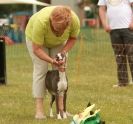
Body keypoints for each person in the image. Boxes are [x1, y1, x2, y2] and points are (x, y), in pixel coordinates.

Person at [25, 5, 80, 119]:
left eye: (63, 30)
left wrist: (63, 52)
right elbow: (37, 49)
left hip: (58, 44)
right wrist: (51, 61)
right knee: (41, 69)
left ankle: (62, 110)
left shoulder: (74, 20)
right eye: (57, 29)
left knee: (60, 72)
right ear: (51, 20)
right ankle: (39, 110)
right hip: (37, 42)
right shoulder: (41, 22)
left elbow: (73, 38)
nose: (59, 33)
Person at [98, 0, 133, 87]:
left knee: (132, 55)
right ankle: (123, 82)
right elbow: (101, 9)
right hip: (113, 30)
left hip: (128, 29)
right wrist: (105, 24)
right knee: (119, 56)